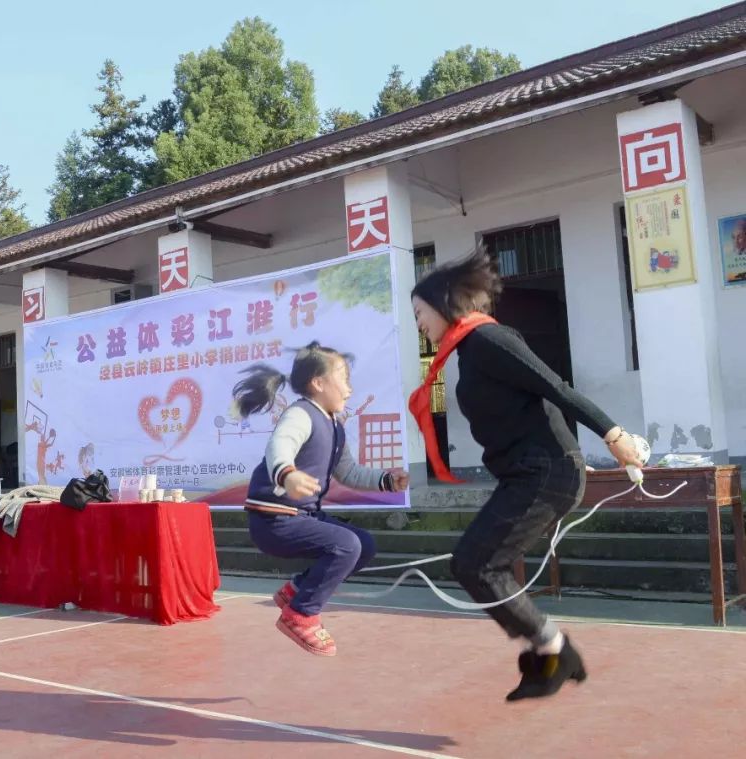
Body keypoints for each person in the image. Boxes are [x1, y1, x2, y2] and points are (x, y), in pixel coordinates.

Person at [410, 248, 643, 702]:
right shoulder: (466, 352)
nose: (419, 323)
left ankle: (555, 652)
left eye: (419, 312)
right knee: (473, 565)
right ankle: (550, 653)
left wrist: (613, 434)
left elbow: (555, 387)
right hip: (524, 474)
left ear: (441, 304)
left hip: (548, 472)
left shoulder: (491, 341)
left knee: (477, 565)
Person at [236, 342, 410, 656]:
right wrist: (287, 474)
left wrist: (386, 480)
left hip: (303, 517)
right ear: (318, 383)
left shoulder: (336, 427)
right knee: (347, 546)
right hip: (274, 520)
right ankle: (301, 614)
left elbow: (350, 473)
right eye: (344, 378)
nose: (349, 388)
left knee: (364, 545)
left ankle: (297, 591)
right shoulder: (301, 414)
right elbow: (280, 445)